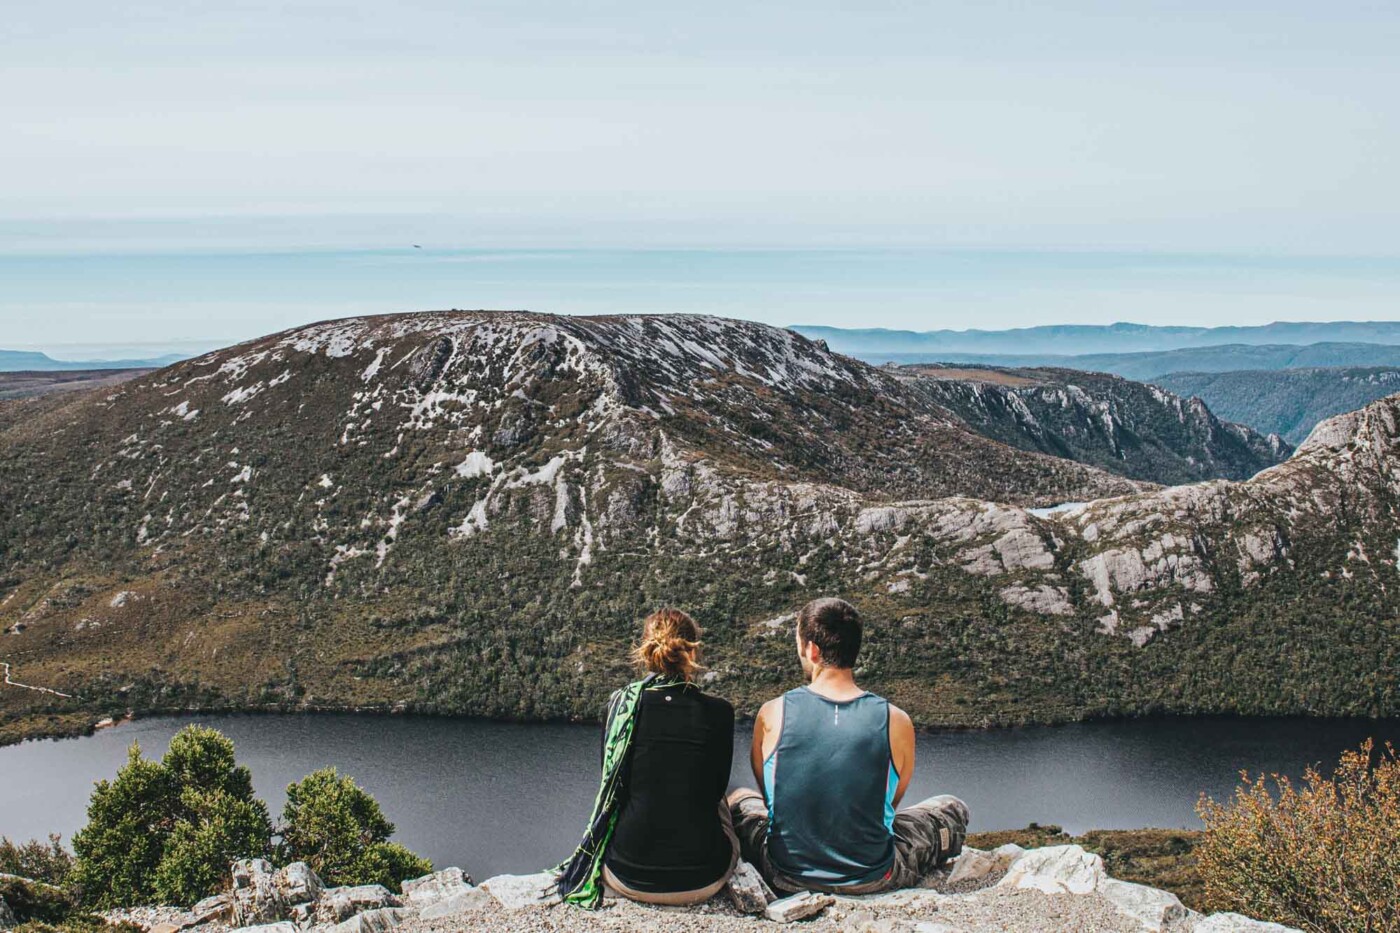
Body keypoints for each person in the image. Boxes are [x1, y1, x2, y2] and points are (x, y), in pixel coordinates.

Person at [728, 597, 969, 894]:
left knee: (741, 798)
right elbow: (888, 805)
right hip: (874, 876)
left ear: (812, 650)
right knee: (950, 808)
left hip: (785, 874)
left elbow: (771, 799)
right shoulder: (896, 720)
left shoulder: (772, 712)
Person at [557, 608, 737, 908]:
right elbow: (716, 787)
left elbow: (614, 781)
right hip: (704, 877)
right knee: (726, 800)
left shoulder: (619, 706)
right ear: (694, 651)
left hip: (627, 873)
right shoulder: (719, 712)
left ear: (645, 650)